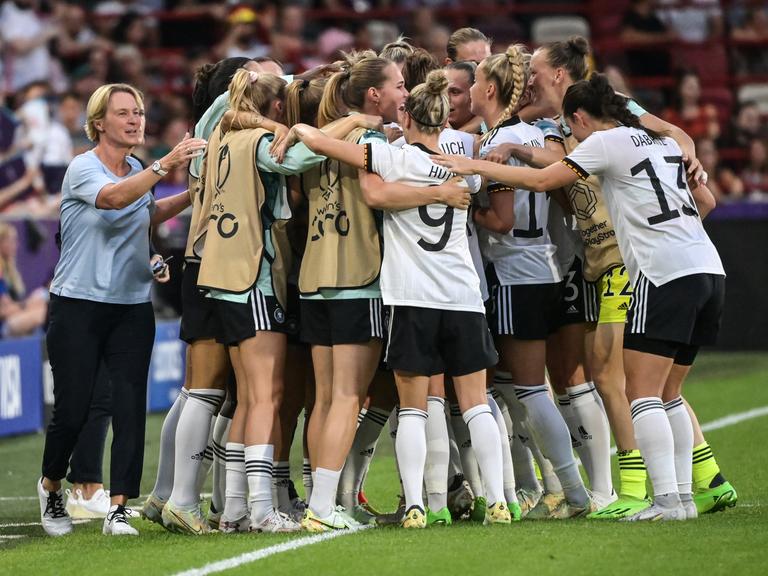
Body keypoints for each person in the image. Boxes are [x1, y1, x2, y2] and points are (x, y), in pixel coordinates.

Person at [434, 72, 725, 522]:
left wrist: (476, 167)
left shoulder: (604, 143)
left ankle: (667, 500)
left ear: (581, 118)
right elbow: (706, 199)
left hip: (662, 273)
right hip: (708, 267)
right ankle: (683, 498)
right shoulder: (664, 143)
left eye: (572, 128)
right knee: (669, 394)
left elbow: (542, 180)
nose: (572, 136)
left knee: (642, 393)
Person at [287, 69, 510, 528]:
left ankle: (413, 504)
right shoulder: (462, 172)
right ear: (445, 119)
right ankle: (499, 499)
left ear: (406, 117)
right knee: (475, 404)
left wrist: (298, 126)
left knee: (412, 408)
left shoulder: (388, 156)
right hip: (463, 296)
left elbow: (325, 149)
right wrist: (440, 190)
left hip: (412, 298)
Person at [37, 82, 206, 537]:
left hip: (131, 305)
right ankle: (52, 483)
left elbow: (144, 212)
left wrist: (193, 195)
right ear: (99, 124)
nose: (136, 120)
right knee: (72, 410)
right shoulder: (82, 169)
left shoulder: (135, 168)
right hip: (78, 304)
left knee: (130, 407)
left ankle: (118, 506)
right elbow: (115, 199)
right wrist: (165, 164)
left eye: (139, 112)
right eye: (124, 113)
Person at [469, 44, 593, 520]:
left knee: (530, 389)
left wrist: (466, 207)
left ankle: (573, 491)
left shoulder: (502, 140)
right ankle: (556, 487)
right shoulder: (532, 136)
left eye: (477, 82)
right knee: (521, 387)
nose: (474, 90)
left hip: (516, 271)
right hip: (542, 265)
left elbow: (500, 220)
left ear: (491, 89)